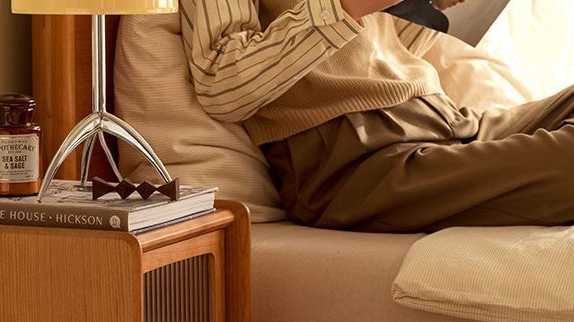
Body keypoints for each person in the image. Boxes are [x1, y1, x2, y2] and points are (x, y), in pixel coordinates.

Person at [178, 0, 574, 233]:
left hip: (443, 120)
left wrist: (431, 5)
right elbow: (221, 85)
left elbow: (381, 56)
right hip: (355, 160)